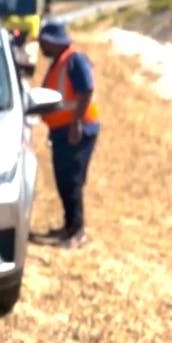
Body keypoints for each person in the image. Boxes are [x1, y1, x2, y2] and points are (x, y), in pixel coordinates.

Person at [33, 21, 100, 249]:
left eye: (43, 42)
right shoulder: (58, 63)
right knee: (64, 180)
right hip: (62, 130)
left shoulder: (74, 60)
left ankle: (77, 232)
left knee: (72, 180)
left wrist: (76, 123)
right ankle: (69, 226)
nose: (41, 47)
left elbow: (87, 90)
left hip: (77, 130)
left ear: (52, 41)